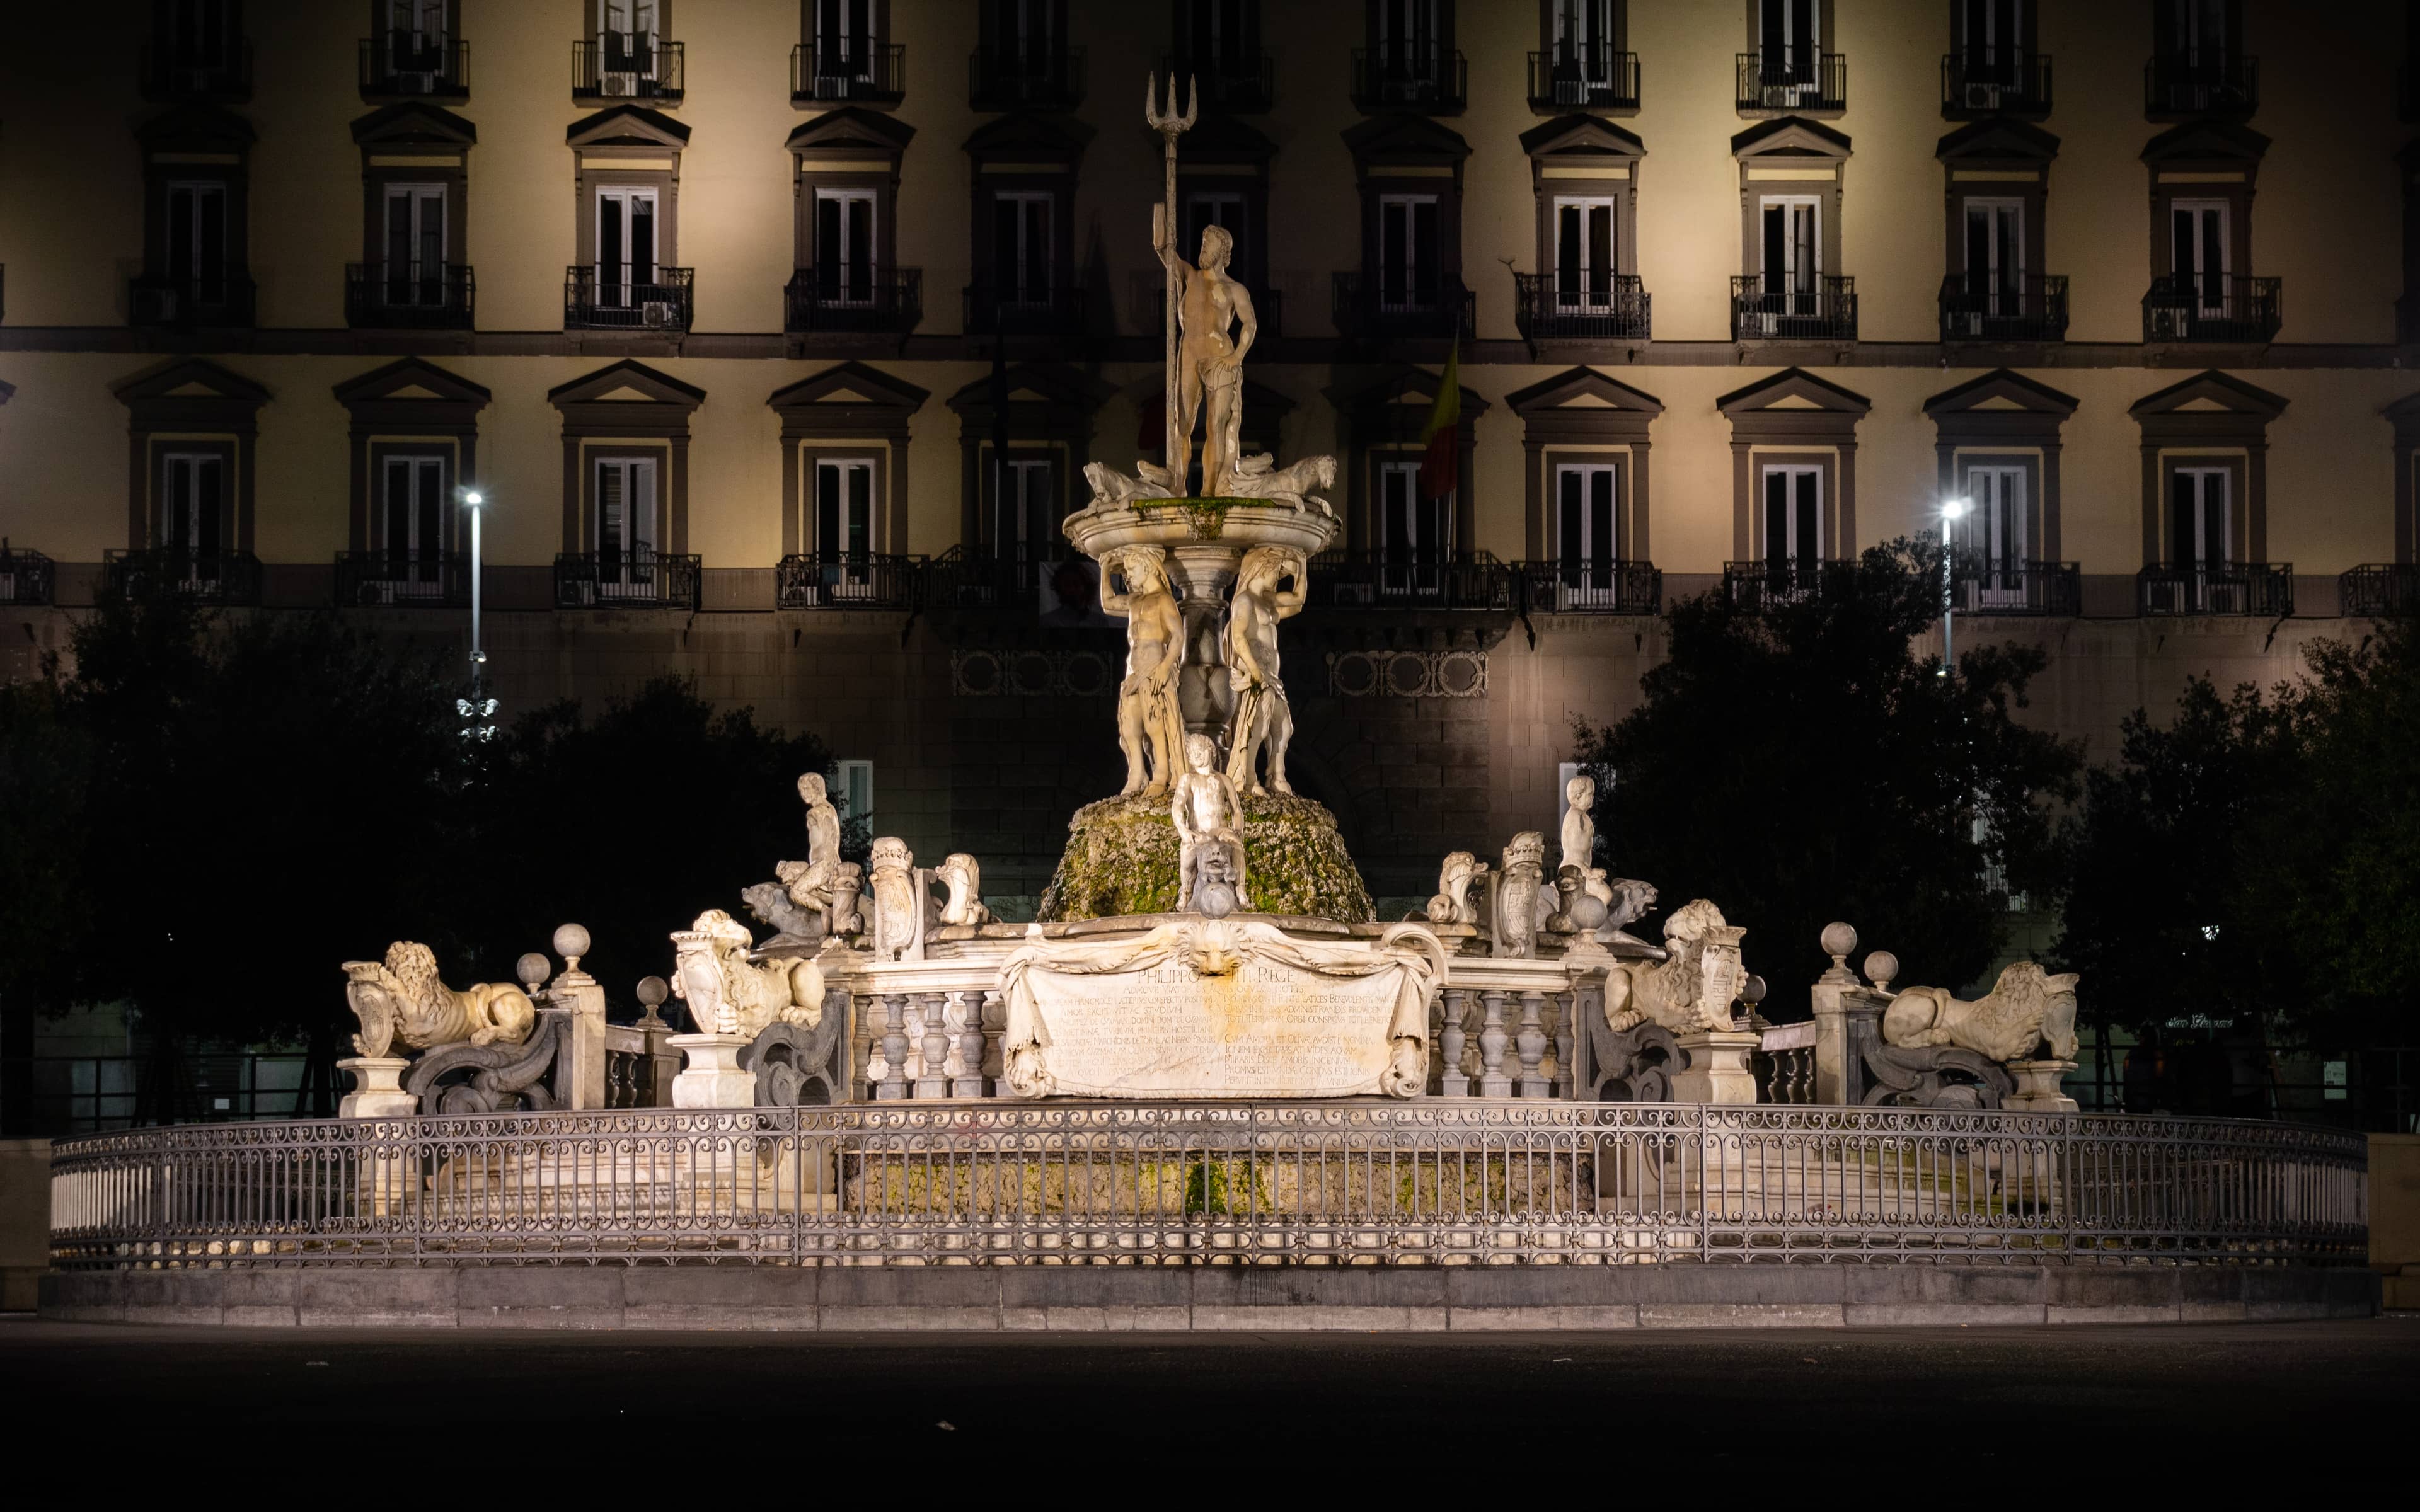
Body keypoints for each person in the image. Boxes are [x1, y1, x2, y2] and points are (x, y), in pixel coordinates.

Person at [1152, 212, 1258, 495]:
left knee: (1217, 425)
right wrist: (1160, 213)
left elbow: (1250, 323)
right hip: (1189, 354)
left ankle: (1212, 489)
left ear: (1222, 251)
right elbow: (1164, 251)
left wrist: (1235, 359)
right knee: (1181, 424)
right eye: (1202, 243)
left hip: (1220, 358)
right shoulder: (1189, 276)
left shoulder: (1234, 289)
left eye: (1208, 243)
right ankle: (1178, 487)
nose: (1203, 248)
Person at [1101, 546, 1186, 797]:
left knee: (1155, 721)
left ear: (1148, 567)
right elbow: (1107, 603)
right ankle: (1137, 773)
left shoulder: (1164, 599)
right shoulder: (1136, 601)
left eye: (1132, 569)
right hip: (1134, 670)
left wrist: (1164, 667)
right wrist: (1105, 568)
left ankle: (1162, 773)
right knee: (1129, 725)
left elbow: (1178, 637)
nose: (1127, 575)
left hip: (1154, 668)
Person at [1225, 545, 1306, 796]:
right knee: (1257, 726)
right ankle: (1248, 779)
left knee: (1284, 725)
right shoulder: (1244, 600)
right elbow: (1238, 636)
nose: (1278, 574)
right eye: (1276, 568)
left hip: (1271, 676)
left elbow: (1298, 602)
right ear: (1262, 568)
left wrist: (1301, 567)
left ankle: (1276, 774)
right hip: (1256, 673)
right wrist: (1253, 669)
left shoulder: (1267, 601)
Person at [1171, 733, 1248, 912]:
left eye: (1200, 750)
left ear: (1211, 751)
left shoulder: (1223, 779)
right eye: (1193, 753)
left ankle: (1241, 889)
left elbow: (1237, 810)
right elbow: (1177, 807)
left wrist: (1238, 830)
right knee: (1187, 853)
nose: (1197, 755)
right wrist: (1183, 830)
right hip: (1199, 832)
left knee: (1237, 846)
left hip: (1220, 830)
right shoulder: (1188, 778)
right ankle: (1187, 891)